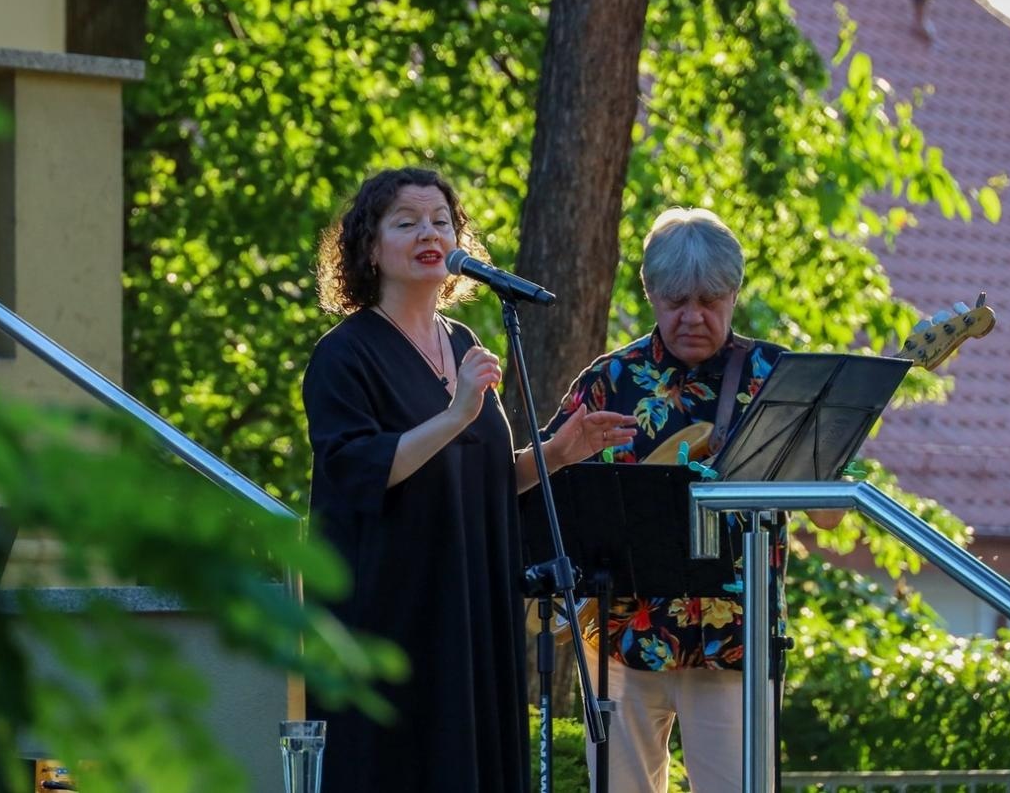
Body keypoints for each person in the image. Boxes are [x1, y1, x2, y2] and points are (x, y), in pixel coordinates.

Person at [303, 167, 635, 793]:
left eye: (441, 221)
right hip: (392, 612)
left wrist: (559, 453)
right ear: (369, 248)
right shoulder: (344, 354)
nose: (430, 233)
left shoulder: (462, 342)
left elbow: (482, 480)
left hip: (471, 600)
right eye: (406, 222)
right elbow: (360, 473)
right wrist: (456, 414)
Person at [542, 207, 827, 793]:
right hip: (620, 639)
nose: (693, 316)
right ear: (650, 294)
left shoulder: (779, 378)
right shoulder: (608, 380)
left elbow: (824, 510)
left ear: (733, 294)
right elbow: (544, 491)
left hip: (734, 641)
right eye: (676, 301)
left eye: (710, 300)